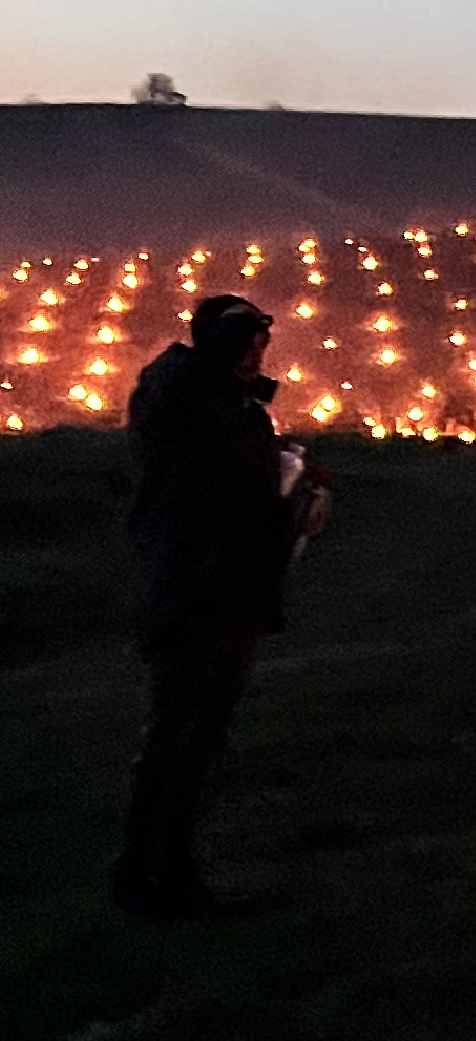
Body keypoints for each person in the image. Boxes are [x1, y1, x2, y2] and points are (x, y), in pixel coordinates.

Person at [116, 293, 297, 918]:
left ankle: (174, 870)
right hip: (194, 593)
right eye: (242, 340)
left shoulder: (239, 408)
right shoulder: (187, 403)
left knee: (201, 741)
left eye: (261, 342)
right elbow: (192, 497)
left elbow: (245, 497)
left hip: (233, 591)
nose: (255, 352)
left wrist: (293, 507)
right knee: (176, 738)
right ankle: (145, 879)